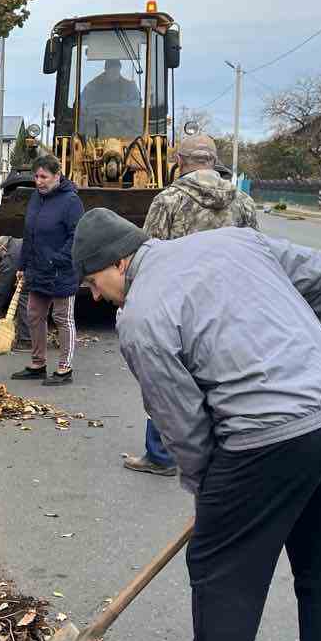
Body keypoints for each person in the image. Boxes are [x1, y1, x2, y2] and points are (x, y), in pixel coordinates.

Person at [72, 208, 321, 641]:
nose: (94, 296)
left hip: (267, 434)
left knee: (219, 557)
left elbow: (181, 421)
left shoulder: (141, 318)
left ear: (120, 262)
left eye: (94, 282)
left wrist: (208, 485)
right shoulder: (235, 241)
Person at [123, 132, 260, 478]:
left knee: (168, 379)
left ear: (179, 163)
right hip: (230, 307)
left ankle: (162, 455)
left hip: (179, 309)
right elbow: (258, 254)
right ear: (214, 162)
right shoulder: (242, 202)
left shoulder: (168, 201)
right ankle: (226, 456)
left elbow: (148, 255)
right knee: (222, 379)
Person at [12, 155, 84, 386]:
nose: (39, 181)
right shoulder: (36, 198)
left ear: (57, 176)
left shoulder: (71, 201)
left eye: (44, 176)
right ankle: (38, 363)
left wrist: (57, 259)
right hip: (37, 269)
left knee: (63, 318)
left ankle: (65, 368)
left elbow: (76, 235)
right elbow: (29, 235)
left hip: (61, 270)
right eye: (36, 176)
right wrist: (22, 265)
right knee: (34, 315)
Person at [0, 235, 31, 348]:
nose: (1, 259)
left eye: (0, 256)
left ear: (3, 249)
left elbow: (1, 291)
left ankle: (26, 340)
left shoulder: (11, 254)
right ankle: (38, 339)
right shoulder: (19, 242)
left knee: (24, 295)